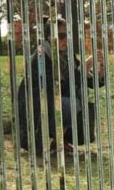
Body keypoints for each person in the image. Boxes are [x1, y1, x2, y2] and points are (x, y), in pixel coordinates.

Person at [20, 15, 105, 154]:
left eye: (67, 35)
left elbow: (84, 81)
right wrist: (84, 67)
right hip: (38, 111)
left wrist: (100, 72)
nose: (65, 40)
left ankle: (61, 141)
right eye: (61, 36)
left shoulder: (66, 55)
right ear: (49, 37)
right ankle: (53, 141)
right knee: (70, 103)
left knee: (79, 95)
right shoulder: (41, 57)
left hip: (53, 105)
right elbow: (57, 89)